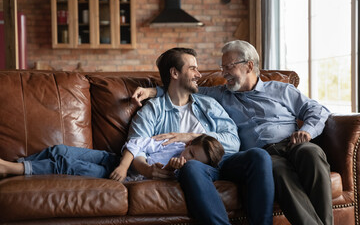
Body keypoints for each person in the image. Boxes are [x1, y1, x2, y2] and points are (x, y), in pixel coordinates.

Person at [133, 41, 332, 225]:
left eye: (228, 67)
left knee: (311, 153)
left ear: (249, 66)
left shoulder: (280, 90)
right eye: (222, 67)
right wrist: (153, 92)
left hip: (292, 143)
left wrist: (306, 131)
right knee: (271, 164)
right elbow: (180, 90)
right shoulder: (218, 94)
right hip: (263, 155)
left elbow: (318, 111)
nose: (223, 73)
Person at [128, 47, 274, 225]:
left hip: (223, 161)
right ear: (174, 73)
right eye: (193, 69)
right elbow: (135, 147)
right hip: (192, 169)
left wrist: (188, 136)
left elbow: (233, 141)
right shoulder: (153, 110)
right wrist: (147, 169)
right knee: (192, 166)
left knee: (259, 155)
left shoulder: (209, 104)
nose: (199, 74)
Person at [0, 134, 223, 181]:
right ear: (189, 144)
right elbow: (138, 142)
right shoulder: (174, 144)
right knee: (59, 150)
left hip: (115, 177)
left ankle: (8, 170)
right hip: (116, 160)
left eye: (195, 161)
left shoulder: (183, 172)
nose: (188, 159)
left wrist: (177, 170)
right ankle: (14, 167)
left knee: (65, 164)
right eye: (190, 153)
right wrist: (126, 165)